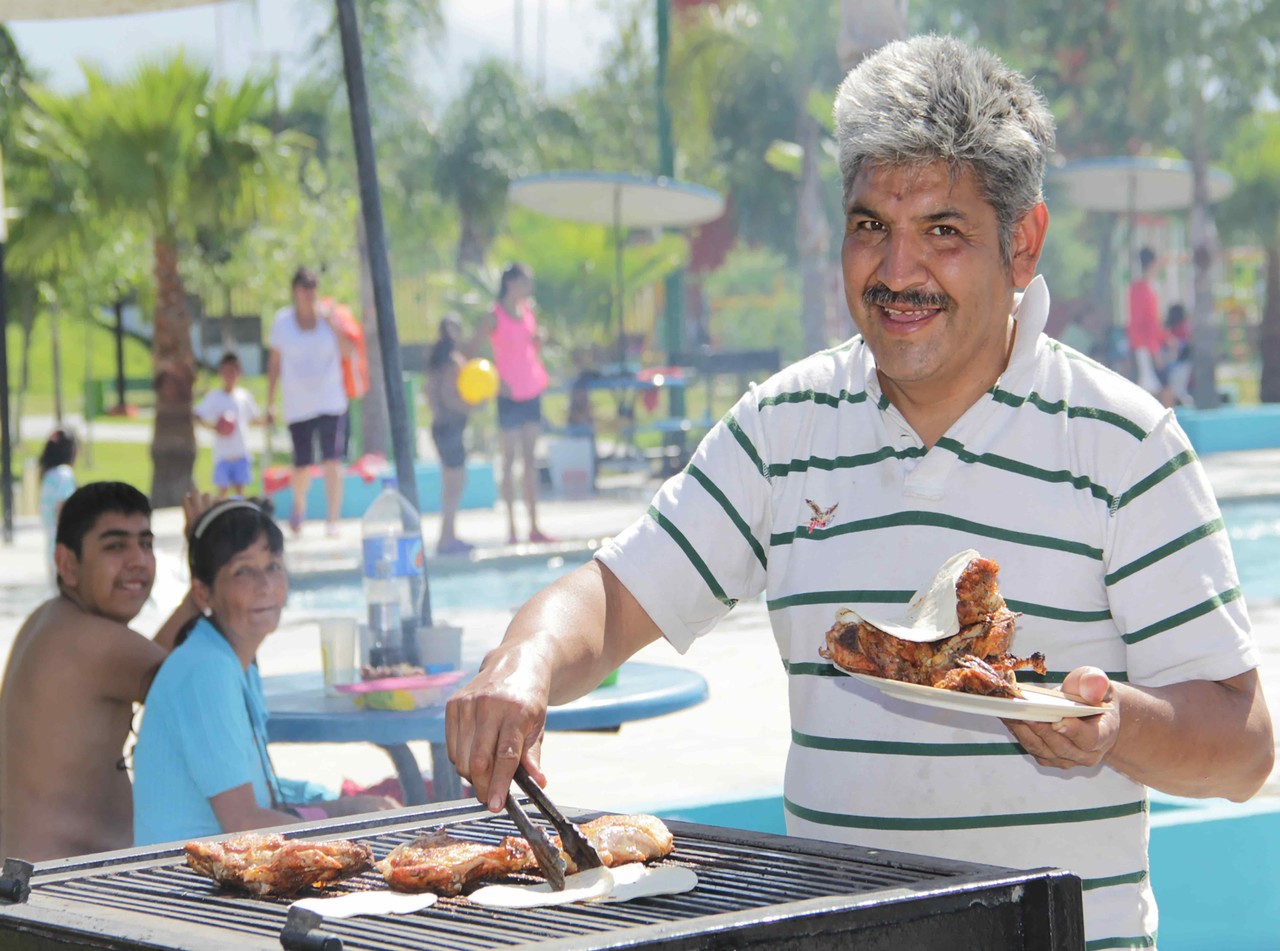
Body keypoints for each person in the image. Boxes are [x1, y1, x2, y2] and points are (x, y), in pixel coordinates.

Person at [444, 35, 1273, 948]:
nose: (897, 270)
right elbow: (611, 596)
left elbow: (1242, 745)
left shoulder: (1123, 443)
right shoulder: (784, 426)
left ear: (1023, 243)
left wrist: (1112, 723)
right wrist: (522, 662)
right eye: (871, 224)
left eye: (943, 231)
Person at [132, 498, 396, 845]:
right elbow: (243, 822)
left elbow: (261, 798)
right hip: (181, 882)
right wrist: (347, 818)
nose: (265, 585)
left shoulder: (232, 658)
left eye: (273, 565)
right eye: (242, 571)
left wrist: (342, 806)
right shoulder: (206, 669)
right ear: (203, 592)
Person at [0, 482, 201, 861]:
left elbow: (153, 661)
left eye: (146, 543)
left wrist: (197, 598)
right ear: (67, 564)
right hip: (57, 892)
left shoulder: (50, 619)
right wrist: (222, 576)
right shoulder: (94, 641)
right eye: (115, 546)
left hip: (27, 878)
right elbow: (205, 693)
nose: (138, 560)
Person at [266, 267, 355, 538]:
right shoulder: (282, 322)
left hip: (330, 400)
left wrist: (332, 324)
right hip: (298, 403)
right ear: (295, 291)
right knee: (302, 463)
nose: (309, 293)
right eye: (304, 288)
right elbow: (275, 363)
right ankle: (299, 503)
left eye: (313, 287)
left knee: (332, 460)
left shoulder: (331, 319)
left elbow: (349, 352)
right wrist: (270, 401)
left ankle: (333, 519)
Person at [476, 263, 553, 545]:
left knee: (530, 460)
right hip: (507, 394)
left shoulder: (528, 312)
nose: (528, 287)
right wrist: (492, 379)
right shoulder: (493, 316)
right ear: (510, 283)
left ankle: (534, 526)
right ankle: (511, 529)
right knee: (508, 460)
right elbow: (477, 350)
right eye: (524, 282)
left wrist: (538, 342)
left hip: (532, 389)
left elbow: (526, 349)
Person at [425, 313, 474, 556]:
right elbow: (449, 397)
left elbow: (433, 397)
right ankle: (447, 537)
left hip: (440, 427)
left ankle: (448, 534)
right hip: (450, 427)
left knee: (450, 483)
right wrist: (473, 405)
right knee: (455, 483)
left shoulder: (434, 361)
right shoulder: (453, 362)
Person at [195, 351, 263, 499]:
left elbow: (254, 419)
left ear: (239, 373)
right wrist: (215, 428)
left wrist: (268, 419)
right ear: (220, 373)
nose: (230, 376)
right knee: (222, 492)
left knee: (240, 491)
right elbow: (197, 416)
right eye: (226, 372)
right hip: (223, 454)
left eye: (233, 371)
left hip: (241, 451)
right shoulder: (214, 397)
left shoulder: (244, 396)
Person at [1126, 246, 1168, 399]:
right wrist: (1154, 350)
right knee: (1155, 392)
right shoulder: (1142, 289)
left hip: (1147, 346)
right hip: (1144, 348)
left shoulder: (1145, 288)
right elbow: (1145, 323)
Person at [37, 428, 77, 580]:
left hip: (52, 547)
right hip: (64, 547)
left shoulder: (49, 475)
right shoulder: (64, 475)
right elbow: (63, 507)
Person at [1164, 302, 1193, 406]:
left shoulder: (1169, 328)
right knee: (1180, 389)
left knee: (1174, 388)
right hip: (1183, 361)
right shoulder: (1185, 327)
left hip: (1172, 363)